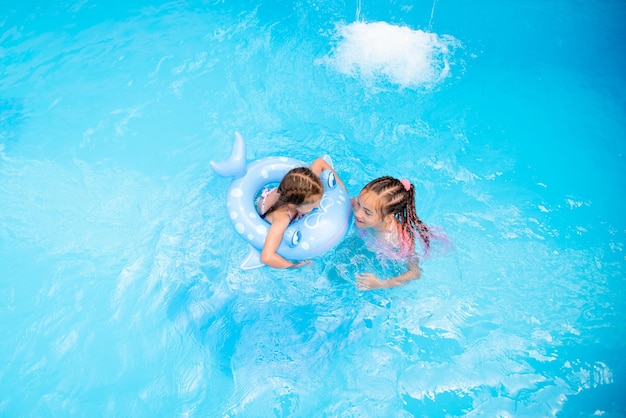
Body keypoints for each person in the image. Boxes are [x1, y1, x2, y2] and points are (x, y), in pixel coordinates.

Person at [258, 158, 344, 269]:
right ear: (295, 206)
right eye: (312, 205)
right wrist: (295, 266)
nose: (317, 206)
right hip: (268, 209)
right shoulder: (282, 218)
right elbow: (267, 256)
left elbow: (319, 162)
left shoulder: (310, 187)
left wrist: (342, 187)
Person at [351, 176, 433, 289]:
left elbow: (415, 273)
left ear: (388, 218)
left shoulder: (400, 240)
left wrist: (381, 284)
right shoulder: (364, 203)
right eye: (359, 204)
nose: (357, 213)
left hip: (386, 261)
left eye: (367, 213)